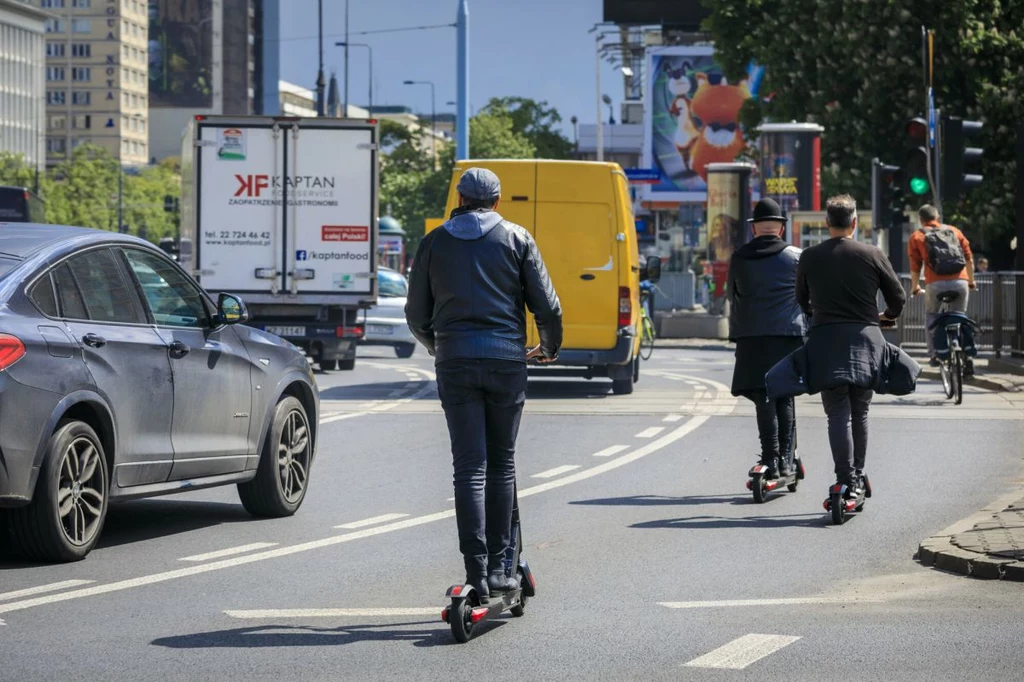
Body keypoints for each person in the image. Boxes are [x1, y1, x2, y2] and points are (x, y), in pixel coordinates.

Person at [405, 167, 562, 604]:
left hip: (455, 361)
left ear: (459, 197)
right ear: (497, 201)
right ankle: (500, 567)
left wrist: (441, 347)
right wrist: (548, 347)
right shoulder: (516, 238)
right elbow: (547, 306)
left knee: (469, 467)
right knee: (502, 464)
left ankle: (475, 570)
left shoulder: (434, 242)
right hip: (505, 361)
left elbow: (416, 314)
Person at [796, 195, 906, 498]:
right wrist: (885, 317)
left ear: (827, 223)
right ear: (855, 223)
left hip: (826, 342)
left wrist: (816, 314)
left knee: (836, 414)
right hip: (865, 341)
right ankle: (857, 476)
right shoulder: (872, 254)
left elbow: (801, 299)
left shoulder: (809, 256)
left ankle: (843, 479)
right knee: (860, 411)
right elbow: (898, 298)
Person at [727, 198, 806, 479]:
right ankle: (786, 460)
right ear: (781, 229)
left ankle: (770, 457)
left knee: (763, 397)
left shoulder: (739, 257)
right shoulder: (797, 257)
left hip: (751, 337)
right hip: (788, 337)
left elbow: (731, 295)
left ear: (754, 229)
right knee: (784, 396)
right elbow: (807, 297)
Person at [907, 205, 976, 366]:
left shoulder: (917, 236)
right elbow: (968, 258)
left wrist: (915, 286)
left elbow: (915, 266)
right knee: (960, 316)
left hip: (934, 283)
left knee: (932, 316)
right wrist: (971, 281)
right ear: (937, 217)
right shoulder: (954, 231)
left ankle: (935, 355)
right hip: (960, 281)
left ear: (921, 220)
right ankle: (968, 357)